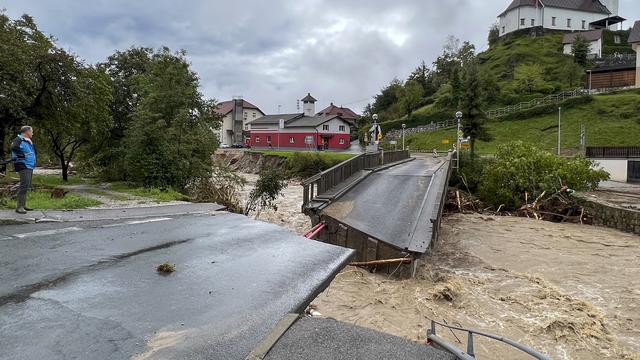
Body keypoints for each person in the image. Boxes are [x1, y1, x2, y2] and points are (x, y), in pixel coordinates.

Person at [10, 126, 36, 214]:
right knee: (24, 185)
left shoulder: (27, 141)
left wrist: (31, 143)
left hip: (29, 165)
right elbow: (14, 147)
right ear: (27, 132)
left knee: (27, 185)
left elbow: (32, 152)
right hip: (23, 164)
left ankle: (23, 205)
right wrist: (22, 155)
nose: (32, 133)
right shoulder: (18, 139)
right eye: (31, 131)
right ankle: (19, 207)